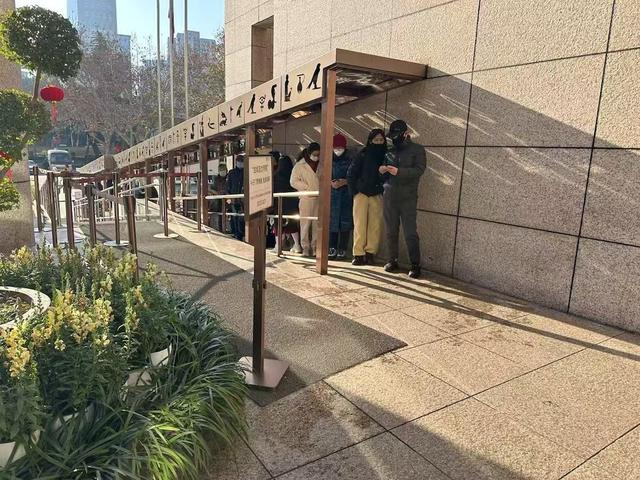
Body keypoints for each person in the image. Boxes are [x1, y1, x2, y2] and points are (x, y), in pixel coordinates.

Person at [380, 119, 426, 279]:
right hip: (389, 196)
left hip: (408, 197)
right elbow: (384, 173)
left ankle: (415, 264)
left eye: (396, 135)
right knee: (390, 231)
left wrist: (399, 172)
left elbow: (419, 170)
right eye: (392, 136)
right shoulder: (389, 150)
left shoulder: (417, 149)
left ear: (405, 133)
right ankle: (392, 260)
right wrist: (382, 170)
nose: (393, 138)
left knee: (410, 232)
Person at [347, 128, 386, 266]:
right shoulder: (362, 154)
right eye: (376, 140)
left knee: (375, 226)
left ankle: (370, 253)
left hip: (377, 194)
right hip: (361, 194)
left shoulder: (386, 155)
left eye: (381, 140)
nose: (379, 142)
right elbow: (351, 173)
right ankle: (358, 254)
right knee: (359, 224)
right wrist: (355, 191)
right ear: (370, 141)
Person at [290, 142, 320, 257]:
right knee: (305, 224)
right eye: (314, 154)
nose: (316, 157)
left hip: (319, 197)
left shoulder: (321, 164)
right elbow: (293, 181)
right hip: (306, 197)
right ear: (309, 153)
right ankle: (305, 247)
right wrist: (306, 187)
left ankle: (315, 247)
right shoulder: (300, 165)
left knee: (317, 224)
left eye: (318, 154)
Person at [329, 134, 353, 260]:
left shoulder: (351, 159)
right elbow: (321, 175)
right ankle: (332, 247)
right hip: (332, 195)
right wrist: (330, 183)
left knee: (345, 223)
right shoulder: (328, 159)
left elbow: (354, 175)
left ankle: (342, 248)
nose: (338, 150)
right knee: (332, 222)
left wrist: (345, 182)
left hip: (346, 195)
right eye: (336, 148)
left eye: (340, 148)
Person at [272, 154, 303, 253]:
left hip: (279, 205)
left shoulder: (275, 176)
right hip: (292, 205)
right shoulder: (293, 175)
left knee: (278, 225)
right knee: (292, 226)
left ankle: (278, 246)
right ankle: (297, 245)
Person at [226, 154, 245, 241]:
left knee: (241, 218)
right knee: (234, 217)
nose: (240, 163)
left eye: (242, 161)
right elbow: (227, 186)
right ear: (236, 162)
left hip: (243, 200)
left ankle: (241, 234)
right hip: (234, 199)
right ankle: (236, 234)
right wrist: (228, 197)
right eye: (239, 161)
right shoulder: (231, 173)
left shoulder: (246, 172)